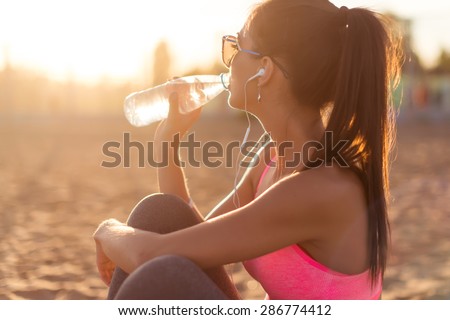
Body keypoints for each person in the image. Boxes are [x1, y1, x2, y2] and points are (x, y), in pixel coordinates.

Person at [93, 0, 402, 300]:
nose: (229, 58)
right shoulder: (271, 159)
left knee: (162, 273)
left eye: (237, 46)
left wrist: (107, 231)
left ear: (263, 70)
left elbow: (152, 255)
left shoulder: (322, 189)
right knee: (160, 212)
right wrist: (169, 136)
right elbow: (191, 236)